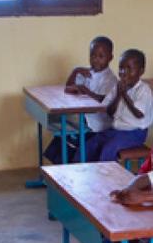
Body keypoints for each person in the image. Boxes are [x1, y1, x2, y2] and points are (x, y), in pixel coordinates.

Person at [43, 36, 117, 164]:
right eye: (92, 55)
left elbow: (104, 101)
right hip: (83, 117)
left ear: (110, 58)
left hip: (97, 122)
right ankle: (61, 171)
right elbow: (68, 88)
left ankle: (68, 169)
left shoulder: (110, 79)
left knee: (66, 129)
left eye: (101, 56)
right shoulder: (86, 72)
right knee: (61, 126)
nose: (96, 60)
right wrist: (75, 72)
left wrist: (85, 91)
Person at [86, 49, 153, 162]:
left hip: (135, 133)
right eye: (121, 68)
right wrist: (118, 95)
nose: (124, 72)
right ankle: (87, 175)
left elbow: (139, 114)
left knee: (108, 149)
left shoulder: (143, 90)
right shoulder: (117, 87)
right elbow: (109, 112)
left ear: (141, 71)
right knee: (90, 145)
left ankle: (107, 178)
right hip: (116, 129)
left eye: (129, 68)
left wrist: (124, 95)